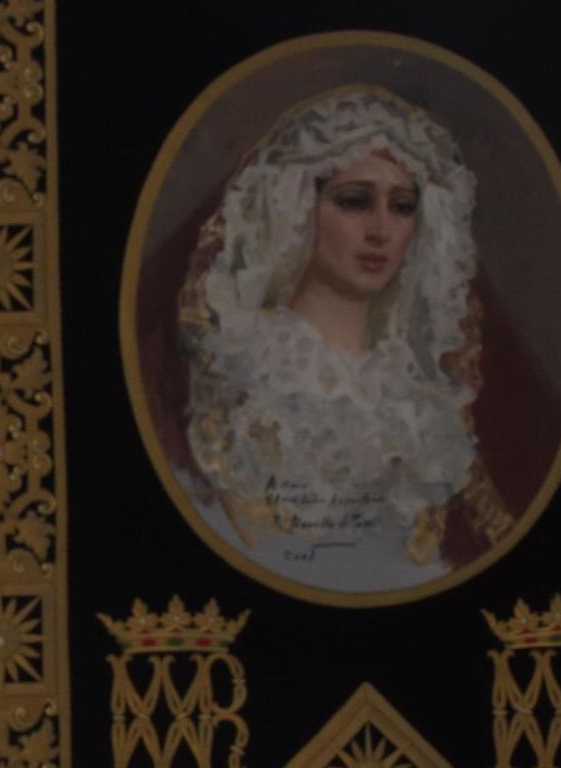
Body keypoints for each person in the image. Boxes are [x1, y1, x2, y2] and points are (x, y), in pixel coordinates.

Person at [162, 86, 525, 592]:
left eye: (402, 207)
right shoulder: (247, 376)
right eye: (354, 201)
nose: (381, 229)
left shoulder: (420, 402)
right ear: (296, 208)